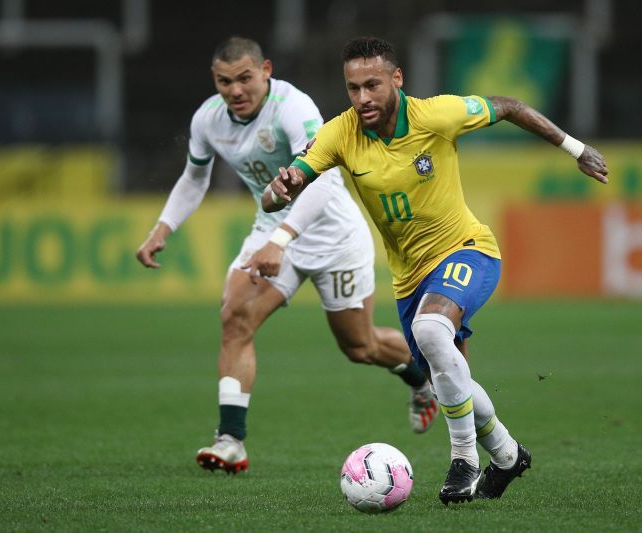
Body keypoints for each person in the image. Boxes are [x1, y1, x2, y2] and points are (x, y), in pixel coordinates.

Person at [263, 36, 609, 504]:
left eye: (372, 85)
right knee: (450, 377)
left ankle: (463, 460)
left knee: (430, 330)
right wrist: (281, 189)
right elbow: (294, 178)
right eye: (353, 88)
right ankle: (507, 456)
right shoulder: (341, 133)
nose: (362, 98)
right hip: (408, 279)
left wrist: (575, 147)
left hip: (467, 249)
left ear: (396, 79)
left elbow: (507, 105)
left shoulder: (435, 115)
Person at [135, 37, 439, 475]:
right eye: (225, 82)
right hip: (272, 232)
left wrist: (281, 240)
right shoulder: (208, 119)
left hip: (332, 233)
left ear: (266, 71)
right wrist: (161, 229)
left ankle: (420, 379)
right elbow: (193, 178)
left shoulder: (293, 107)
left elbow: (325, 181)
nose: (236, 90)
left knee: (360, 345)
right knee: (235, 315)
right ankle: (231, 440)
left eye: (244, 78)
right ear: (214, 81)